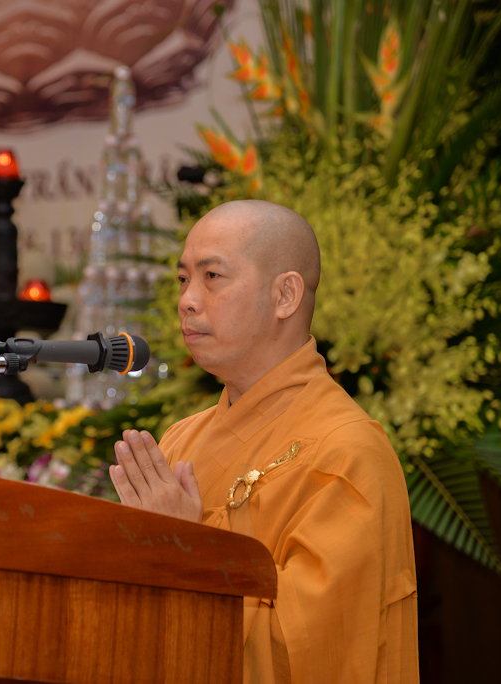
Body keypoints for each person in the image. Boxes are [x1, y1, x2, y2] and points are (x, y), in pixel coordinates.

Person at [109, 200, 418, 684]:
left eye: (212, 277)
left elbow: (316, 653)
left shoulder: (346, 454)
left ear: (285, 295)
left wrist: (189, 552)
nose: (187, 300)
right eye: (183, 279)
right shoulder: (180, 439)